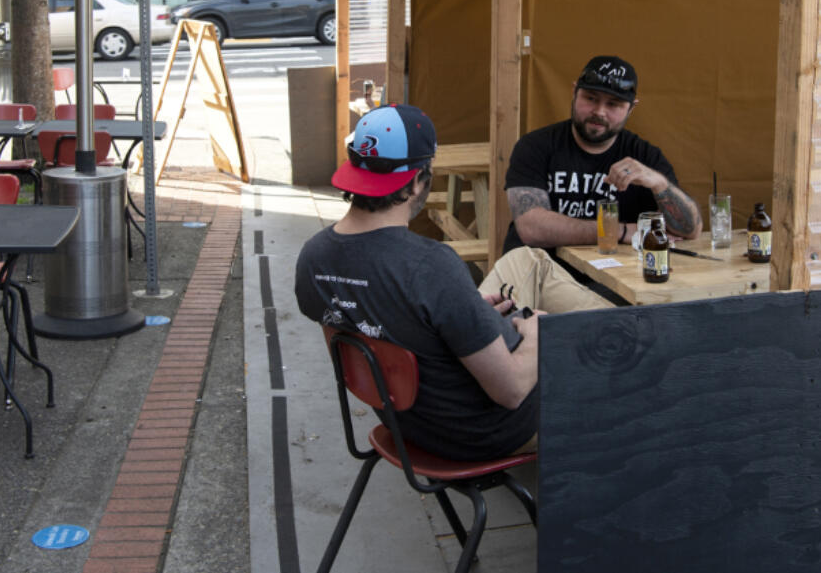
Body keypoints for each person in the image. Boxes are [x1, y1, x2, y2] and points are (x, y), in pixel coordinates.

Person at [295, 104, 608, 462]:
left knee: (528, 260)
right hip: (487, 432)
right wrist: (538, 334)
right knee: (591, 344)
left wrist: (466, 314)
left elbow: (368, 335)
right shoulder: (431, 266)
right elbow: (512, 391)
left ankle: (627, 326)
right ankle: (642, 338)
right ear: (417, 182)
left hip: (409, 423)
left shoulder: (313, 256)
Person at [504, 55, 701, 254]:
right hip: (538, 273)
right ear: (574, 92)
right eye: (590, 98)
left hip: (614, 277)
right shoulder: (535, 146)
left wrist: (660, 184)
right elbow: (531, 228)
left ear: (631, 109)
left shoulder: (644, 156)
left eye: (613, 104)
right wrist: (617, 231)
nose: (599, 111)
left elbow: (690, 230)